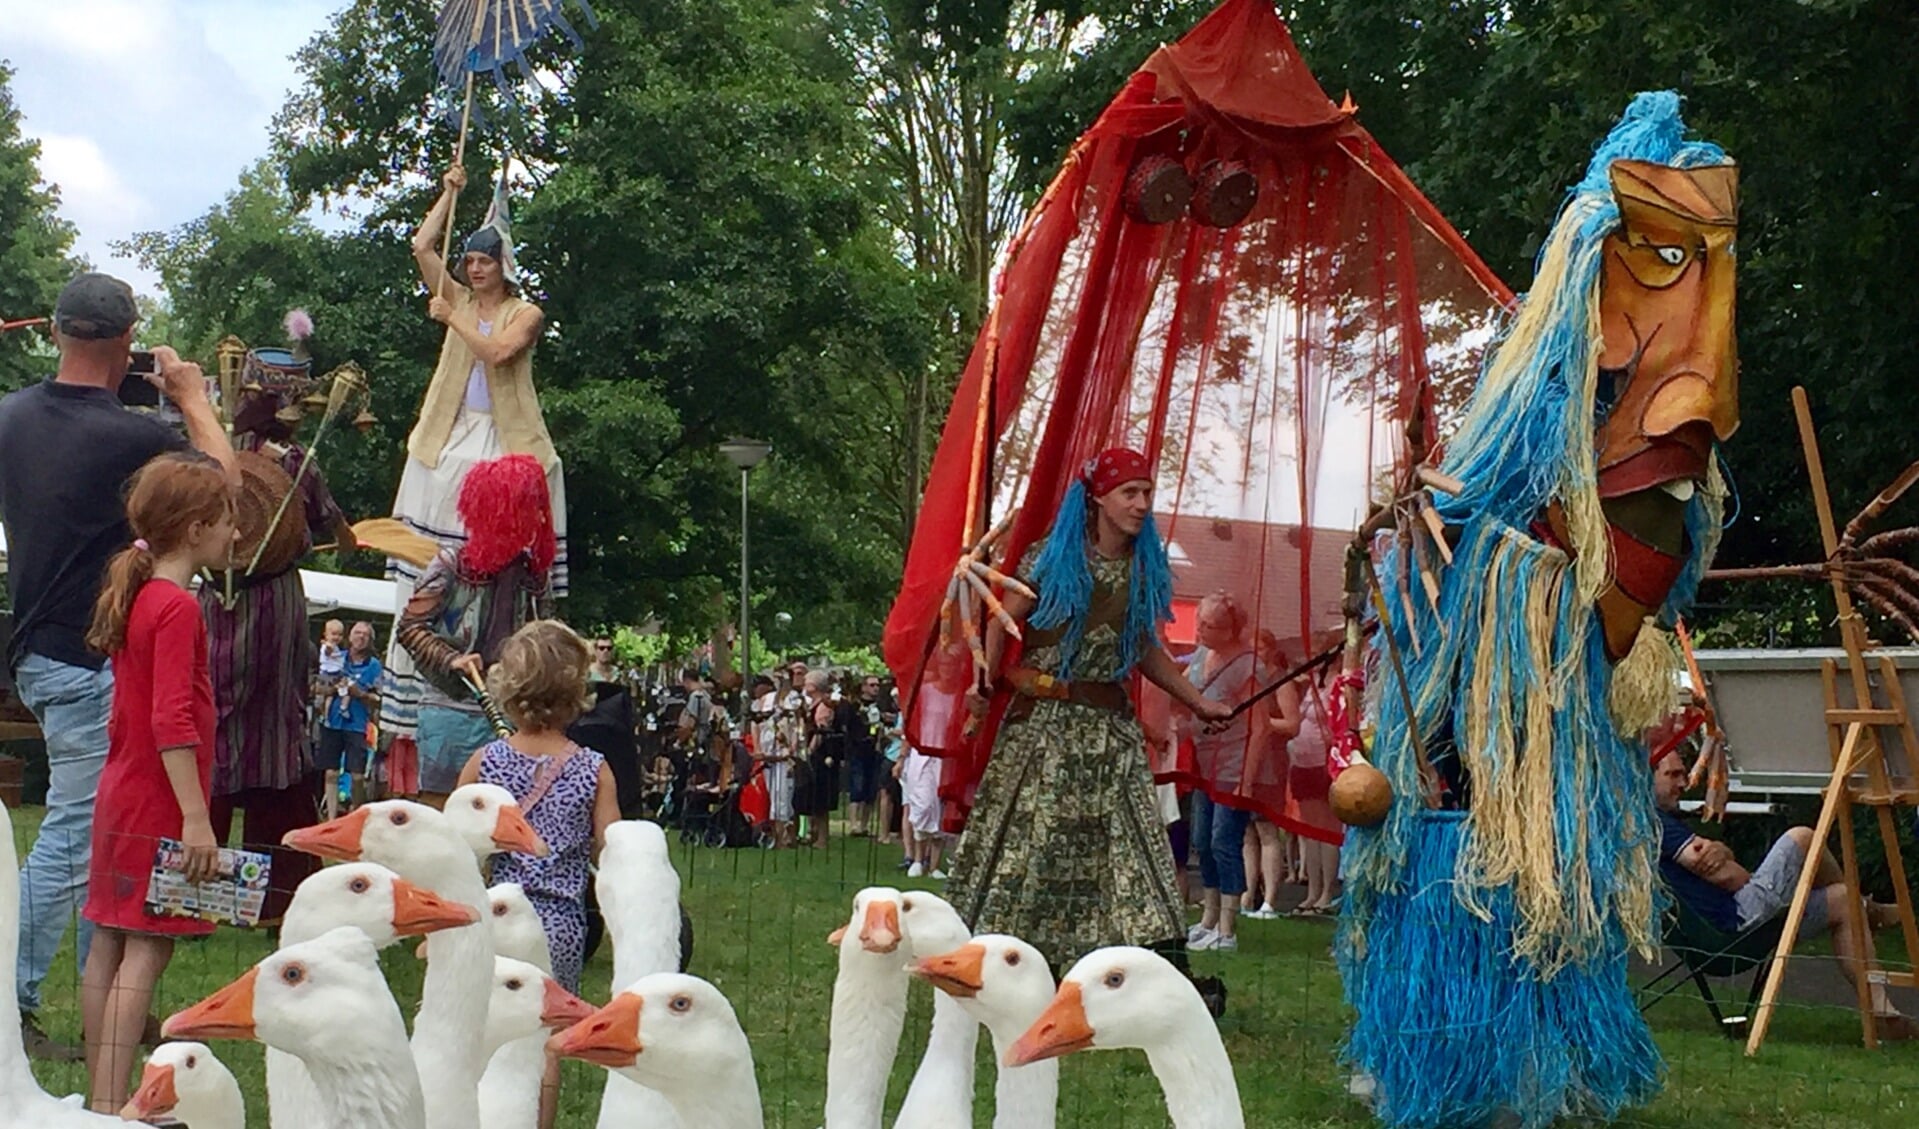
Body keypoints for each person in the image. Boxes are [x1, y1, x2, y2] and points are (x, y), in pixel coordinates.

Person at [0, 272, 236, 1061]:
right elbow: (222, 491)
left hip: (36, 646)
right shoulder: (131, 436)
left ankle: (107, 1011)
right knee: (76, 835)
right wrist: (194, 397)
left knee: (98, 832)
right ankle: (14, 998)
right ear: (127, 341)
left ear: (57, 332)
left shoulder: (12, 418)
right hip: (89, 658)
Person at [947, 447, 1232, 969]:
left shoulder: (1144, 567)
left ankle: (1152, 962)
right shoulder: (1049, 558)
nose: (1142, 503)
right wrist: (985, 680)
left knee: (1133, 841)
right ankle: (1013, 959)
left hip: (1111, 732)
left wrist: (1197, 700)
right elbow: (1000, 621)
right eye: (1130, 492)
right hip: (1047, 729)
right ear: (1099, 498)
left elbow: (1144, 646)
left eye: (1147, 492)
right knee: (1039, 842)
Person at [383, 164, 569, 768]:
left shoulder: (525, 312)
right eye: (468, 260)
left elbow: (496, 351)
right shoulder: (457, 294)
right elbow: (418, 246)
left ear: (503, 263)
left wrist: (452, 318)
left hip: (508, 437)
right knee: (434, 504)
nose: (473, 268)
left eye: (484, 260)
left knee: (516, 509)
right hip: (449, 429)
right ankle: (430, 638)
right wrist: (449, 192)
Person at [79, 453, 236, 1111]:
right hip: (159, 801)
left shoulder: (138, 595)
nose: (235, 535)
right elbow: (171, 719)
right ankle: (117, 1105)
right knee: (146, 948)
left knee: (108, 943)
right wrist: (197, 818)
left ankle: (97, 1099)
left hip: (121, 791)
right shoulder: (175, 607)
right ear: (196, 527)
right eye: (229, 521)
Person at [201, 377, 354, 923]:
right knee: (276, 734)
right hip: (273, 601)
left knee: (214, 725)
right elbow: (334, 528)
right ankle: (275, 899)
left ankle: (199, 895)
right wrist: (342, 530)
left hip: (218, 599)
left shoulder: (211, 454)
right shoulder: (297, 464)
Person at [456, 619, 618, 1128]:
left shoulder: (484, 762)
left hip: (496, 915)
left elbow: (459, 847)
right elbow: (609, 849)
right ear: (575, 690)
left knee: (482, 1028)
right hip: (561, 924)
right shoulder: (594, 768)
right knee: (544, 1039)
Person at [1652, 744, 1912, 1036]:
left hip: (1722, 934)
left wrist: (1721, 851)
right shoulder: (1656, 823)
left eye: (1682, 774)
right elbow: (1728, 878)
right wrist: (1732, 866)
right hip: (1735, 923)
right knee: (1802, 837)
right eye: (1672, 775)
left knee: (1842, 900)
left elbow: (1716, 861)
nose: (1682, 783)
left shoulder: (1652, 827)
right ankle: (1869, 910)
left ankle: (1882, 1012)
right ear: (1646, 779)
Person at [397, 453, 555, 806]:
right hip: (449, 709)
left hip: (512, 712)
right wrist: (451, 659)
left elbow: (545, 638)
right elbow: (409, 627)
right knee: (439, 812)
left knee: (499, 813)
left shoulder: (534, 576)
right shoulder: (450, 564)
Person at [1181, 592, 1275, 952]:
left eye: (1211, 626)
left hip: (1234, 765)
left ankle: (1227, 927)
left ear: (1232, 629)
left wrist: (1247, 781)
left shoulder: (1250, 666)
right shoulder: (1202, 654)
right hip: (1205, 762)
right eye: (1200, 623)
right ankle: (1208, 919)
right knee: (1202, 840)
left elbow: (1261, 726)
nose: (1201, 630)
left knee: (1224, 841)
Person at [319, 621, 383, 809]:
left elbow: (380, 698)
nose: (360, 637)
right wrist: (331, 688)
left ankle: (355, 814)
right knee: (331, 772)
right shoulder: (338, 657)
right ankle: (331, 818)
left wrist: (360, 694)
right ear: (349, 636)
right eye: (357, 633)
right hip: (333, 722)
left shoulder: (374, 666)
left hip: (357, 724)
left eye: (365, 634)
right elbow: (320, 687)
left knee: (357, 776)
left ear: (370, 640)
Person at [801, 670, 846, 848]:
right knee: (813, 796)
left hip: (822, 755)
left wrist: (810, 750)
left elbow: (821, 731)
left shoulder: (824, 706)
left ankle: (822, 837)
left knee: (821, 797)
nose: (804, 683)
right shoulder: (812, 704)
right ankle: (813, 832)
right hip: (815, 754)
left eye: (807, 681)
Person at [749, 674, 795, 847]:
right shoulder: (761, 703)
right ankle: (779, 835)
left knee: (783, 797)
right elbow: (756, 723)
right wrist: (758, 749)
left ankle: (785, 837)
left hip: (783, 758)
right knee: (774, 795)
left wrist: (789, 748)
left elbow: (793, 726)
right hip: (768, 756)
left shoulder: (788, 702)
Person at [845, 674, 884, 837]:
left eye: (877, 685)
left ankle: (864, 824)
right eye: (872, 685)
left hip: (873, 750)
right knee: (857, 785)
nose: (875, 688)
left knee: (870, 787)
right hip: (857, 749)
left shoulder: (880, 706)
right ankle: (854, 824)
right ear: (864, 687)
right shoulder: (854, 706)